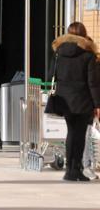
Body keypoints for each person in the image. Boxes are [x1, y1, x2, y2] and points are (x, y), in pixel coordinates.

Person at [51, 22, 100, 181]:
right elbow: (92, 82)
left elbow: (52, 73)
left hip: (64, 99)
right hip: (82, 100)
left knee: (71, 133)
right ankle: (75, 169)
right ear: (84, 34)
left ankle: (70, 169)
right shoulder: (88, 54)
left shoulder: (59, 52)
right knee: (78, 135)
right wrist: (97, 104)